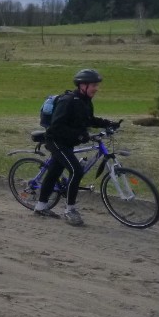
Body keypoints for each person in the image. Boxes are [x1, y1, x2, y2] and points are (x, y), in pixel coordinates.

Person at [33, 69, 119, 226]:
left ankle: (40, 206)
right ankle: (70, 210)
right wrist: (79, 135)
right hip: (57, 142)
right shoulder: (68, 101)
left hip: (68, 142)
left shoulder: (85, 101)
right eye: (93, 85)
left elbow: (89, 119)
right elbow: (56, 127)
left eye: (97, 85)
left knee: (54, 173)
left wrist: (108, 123)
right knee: (76, 170)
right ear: (82, 85)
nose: (96, 88)